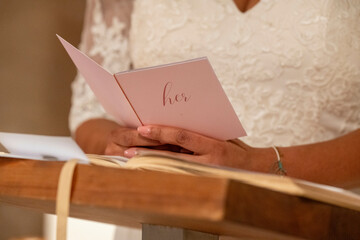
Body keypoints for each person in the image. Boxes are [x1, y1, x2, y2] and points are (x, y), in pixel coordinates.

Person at [66, 0, 360, 239]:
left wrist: (258, 165)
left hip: (318, 220)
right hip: (159, 220)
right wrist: (122, 144)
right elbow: (90, 111)